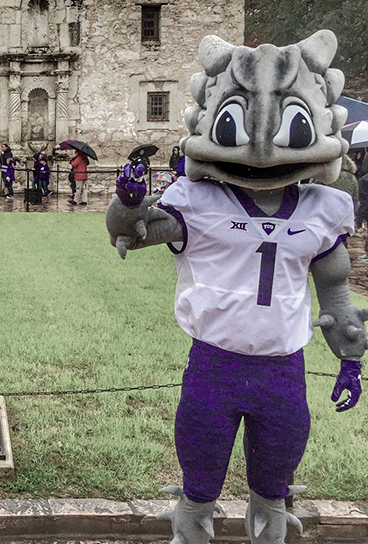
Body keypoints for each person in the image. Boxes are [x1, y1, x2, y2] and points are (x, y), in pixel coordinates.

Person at [107, 30, 365, 544]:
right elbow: (132, 234)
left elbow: (334, 290)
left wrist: (352, 356)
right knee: (199, 481)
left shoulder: (321, 208)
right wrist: (129, 203)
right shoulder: (198, 202)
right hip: (214, 366)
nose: (264, 151)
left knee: (274, 484)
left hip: (283, 369)